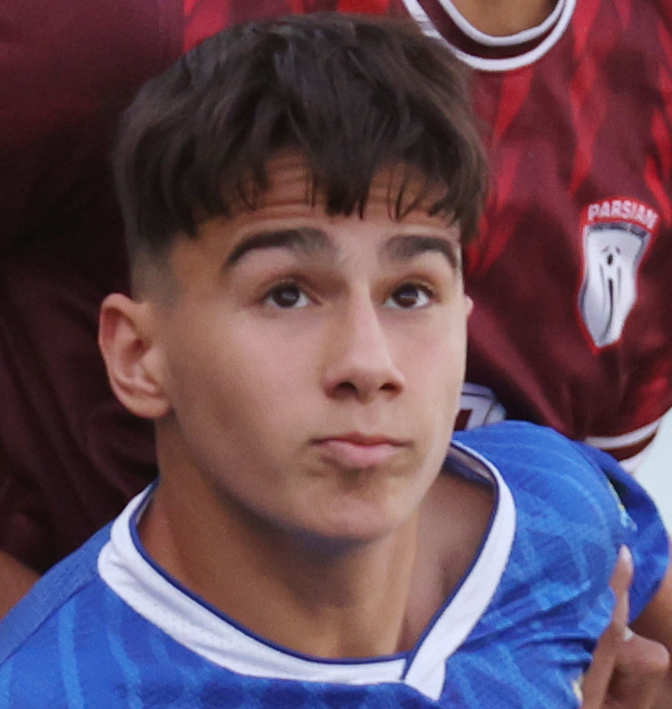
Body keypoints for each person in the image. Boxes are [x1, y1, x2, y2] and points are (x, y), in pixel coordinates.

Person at [0, 15, 669, 707]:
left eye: (410, 293)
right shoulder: (53, 690)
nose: (368, 362)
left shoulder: (560, 500)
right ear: (139, 355)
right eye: (287, 294)